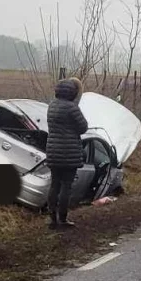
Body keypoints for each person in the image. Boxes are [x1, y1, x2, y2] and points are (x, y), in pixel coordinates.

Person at [45, 77, 88, 229]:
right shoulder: (72, 108)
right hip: (69, 153)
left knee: (54, 184)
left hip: (53, 151)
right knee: (66, 186)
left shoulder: (52, 106)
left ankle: (52, 218)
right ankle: (63, 218)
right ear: (73, 93)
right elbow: (83, 127)